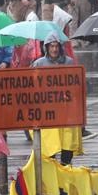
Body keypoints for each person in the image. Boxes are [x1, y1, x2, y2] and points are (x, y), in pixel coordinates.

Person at [31, 34, 81, 164]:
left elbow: (76, 84)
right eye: (52, 46)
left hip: (66, 111)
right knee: (50, 146)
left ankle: (65, 171)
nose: (54, 49)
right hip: (48, 112)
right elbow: (32, 86)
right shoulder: (39, 64)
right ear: (47, 47)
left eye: (56, 46)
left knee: (67, 143)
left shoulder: (69, 62)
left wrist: (68, 94)